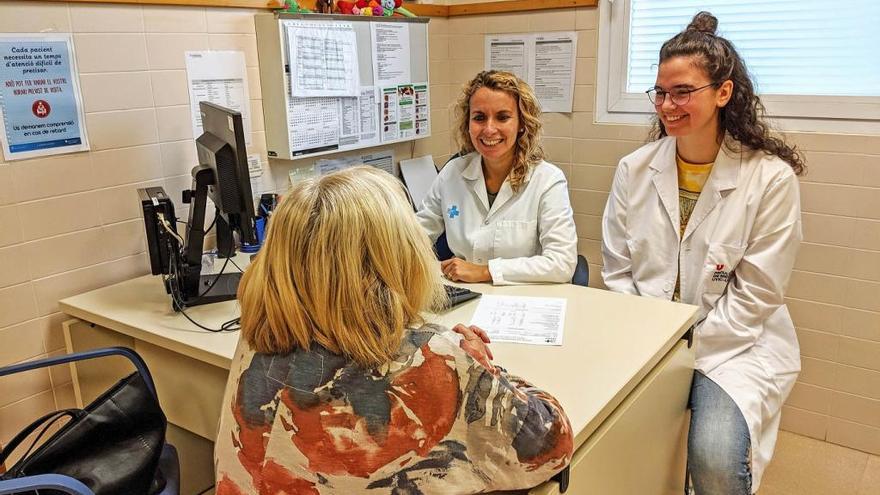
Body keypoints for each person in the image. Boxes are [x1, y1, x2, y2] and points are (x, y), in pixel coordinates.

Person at [215, 167, 573, 494]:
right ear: (395, 258)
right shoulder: (429, 360)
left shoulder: (257, 337)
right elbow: (552, 441)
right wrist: (480, 369)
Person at [601, 11, 805, 495]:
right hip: (644, 336)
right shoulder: (633, 170)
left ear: (723, 92)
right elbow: (618, 271)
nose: (667, 105)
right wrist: (652, 340)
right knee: (608, 439)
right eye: (661, 92)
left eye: (683, 91)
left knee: (714, 457)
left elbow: (757, 296)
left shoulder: (769, 178)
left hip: (732, 348)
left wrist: (683, 351)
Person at [416, 70, 578, 285]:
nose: (489, 129)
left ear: (522, 124)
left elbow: (562, 264)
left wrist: (485, 271)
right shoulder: (452, 173)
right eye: (479, 118)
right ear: (468, 123)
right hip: (464, 294)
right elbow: (415, 237)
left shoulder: (547, 180)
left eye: (502, 117)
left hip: (524, 298)